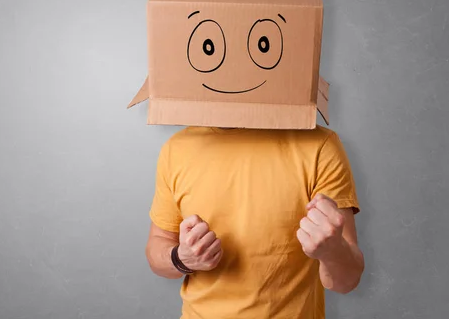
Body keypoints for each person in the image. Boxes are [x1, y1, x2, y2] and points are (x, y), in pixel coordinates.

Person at [145, 124, 364, 319]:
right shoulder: (177, 149)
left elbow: (347, 281)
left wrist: (332, 251)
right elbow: (158, 246)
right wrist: (181, 258)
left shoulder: (319, 145)